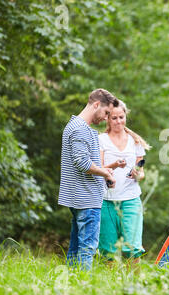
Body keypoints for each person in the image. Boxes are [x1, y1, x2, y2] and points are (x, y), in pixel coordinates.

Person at [58, 88, 119, 271]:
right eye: (106, 113)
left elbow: (85, 162)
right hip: (86, 199)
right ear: (96, 105)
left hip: (80, 197)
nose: (106, 118)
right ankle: (84, 286)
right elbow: (82, 163)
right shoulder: (80, 129)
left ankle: (72, 284)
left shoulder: (75, 126)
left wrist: (106, 171)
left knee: (76, 248)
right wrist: (106, 173)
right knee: (88, 249)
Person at [98, 99, 151, 263]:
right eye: (114, 118)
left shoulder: (134, 141)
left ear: (125, 116)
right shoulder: (101, 140)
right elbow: (98, 168)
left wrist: (137, 174)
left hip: (131, 199)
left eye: (121, 117)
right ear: (107, 118)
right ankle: (110, 286)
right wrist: (112, 169)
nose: (118, 121)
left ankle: (135, 285)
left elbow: (141, 172)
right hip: (107, 200)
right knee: (108, 250)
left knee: (133, 247)